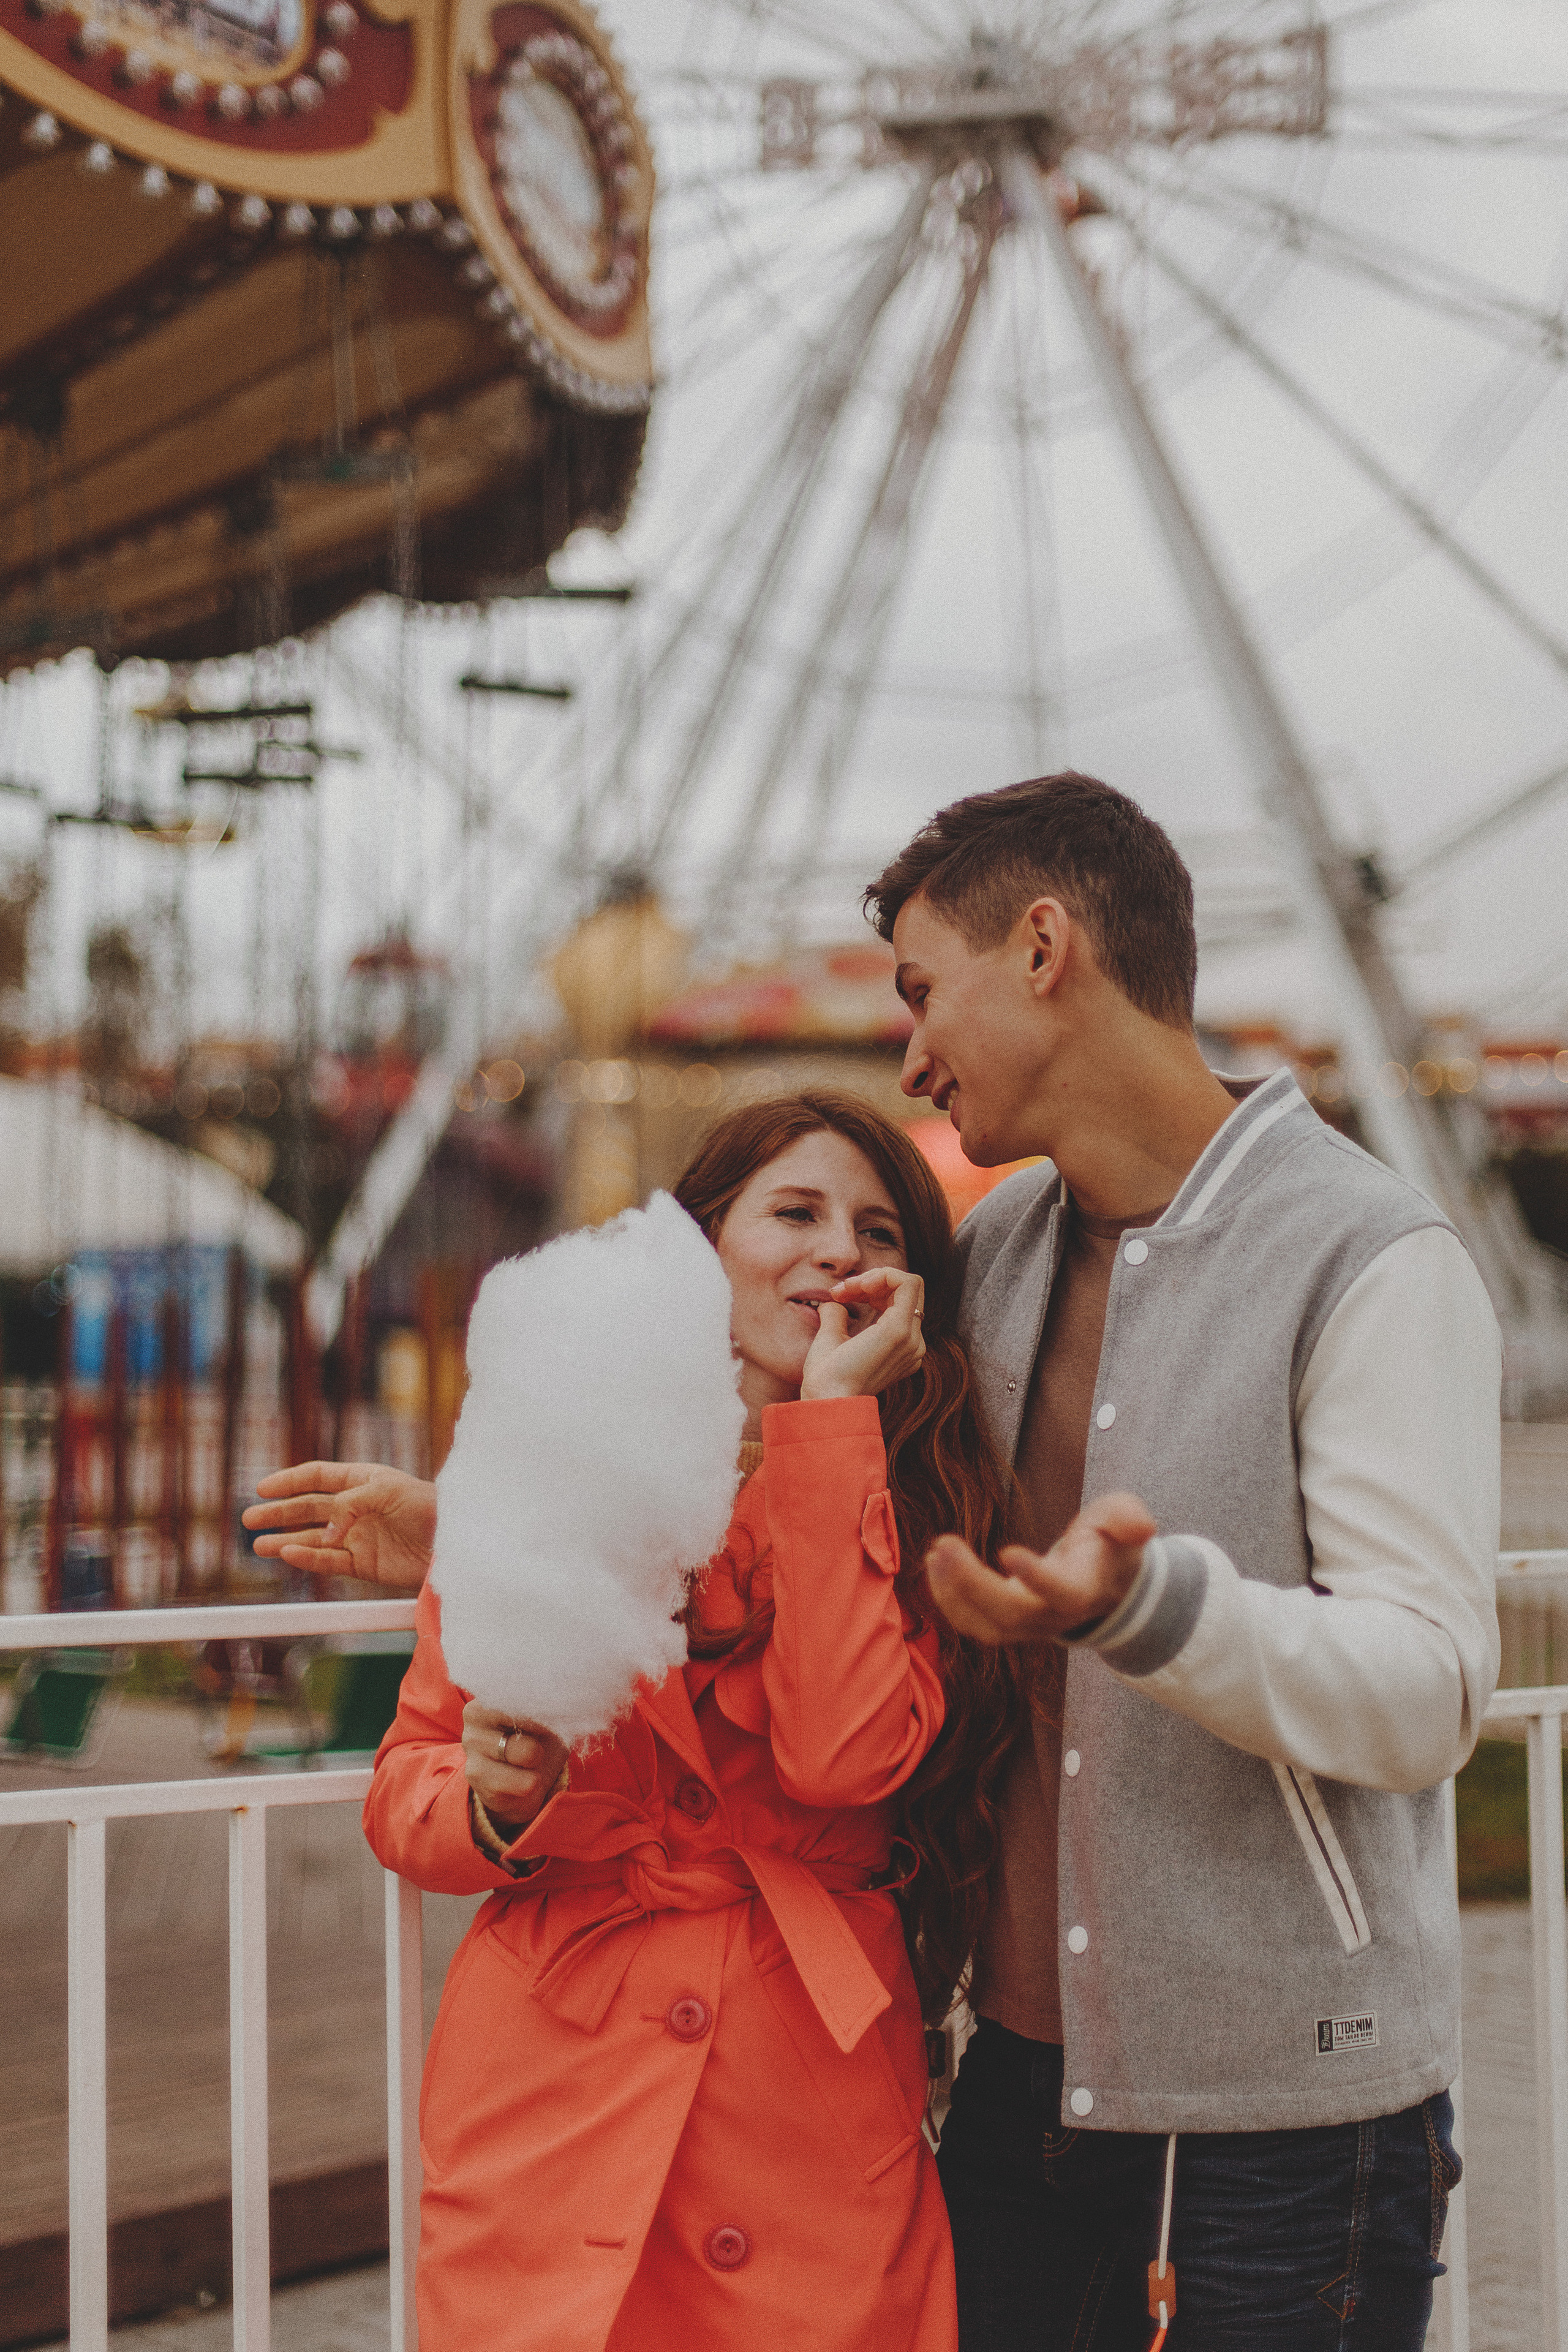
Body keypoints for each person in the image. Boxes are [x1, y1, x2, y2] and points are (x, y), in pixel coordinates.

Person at [862, 771, 1501, 2350]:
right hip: (1016, 2088)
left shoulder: (1372, 1259)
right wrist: (461, 1526)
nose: (909, 1051)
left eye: (919, 989)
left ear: (1042, 946)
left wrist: (1155, 1612)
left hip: (1287, 2127)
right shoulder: (989, 1257)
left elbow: (1426, 1693)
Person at [246, 1091, 1017, 2352]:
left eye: (875, 1229)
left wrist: (826, 1431)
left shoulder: (925, 1504)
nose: (835, 1250)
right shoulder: (544, 1467)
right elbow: (407, 1786)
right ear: (697, 1246)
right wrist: (496, 1802)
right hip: (559, 2079)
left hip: (801, 2105)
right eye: (793, 1212)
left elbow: (842, 1756)